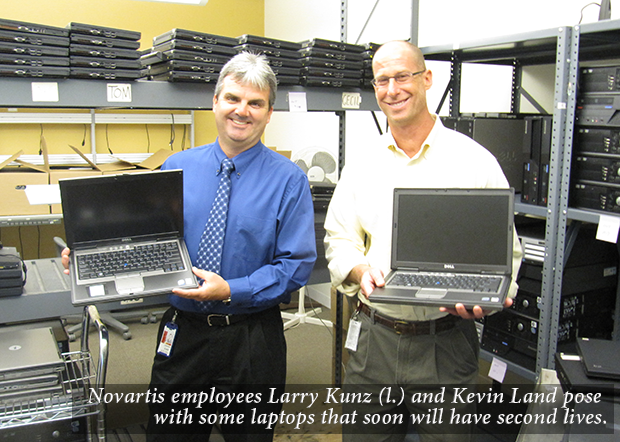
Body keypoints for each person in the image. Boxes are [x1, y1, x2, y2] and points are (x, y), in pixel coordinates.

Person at [62, 52, 317, 441]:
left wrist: (232, 289)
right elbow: (145, 238)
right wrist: (96, 256)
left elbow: (295, 265)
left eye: (255, 103)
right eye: (232, 98)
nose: (241, 111)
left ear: (268, 114)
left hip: (251, 339)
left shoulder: (289, 181)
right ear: (215, 102)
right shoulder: (176, 168)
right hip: (183, 335)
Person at [324, 41, 523, 441]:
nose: (392, 89)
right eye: (382, 80)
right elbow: (340, 238)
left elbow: (507, 253)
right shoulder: (362, 163)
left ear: (427, 78)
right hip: (373, 340)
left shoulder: (475, 160)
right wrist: (361, 270)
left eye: (402, 76)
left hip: (446, 343)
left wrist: (484, 298)